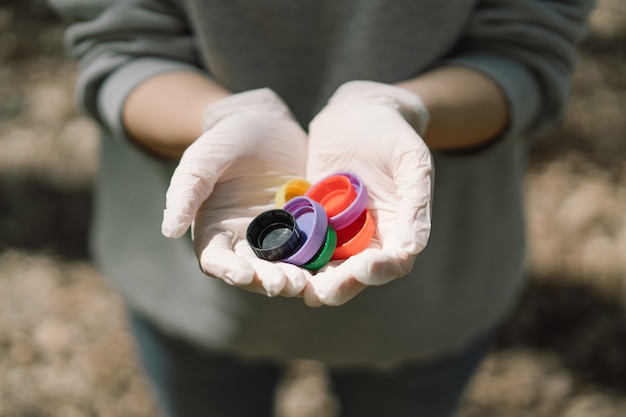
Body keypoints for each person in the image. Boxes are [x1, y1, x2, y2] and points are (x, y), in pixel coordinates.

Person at [49, 0, 595, 416]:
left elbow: (530, 46)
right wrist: (215, 120)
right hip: (187, 289)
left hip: (431, 294)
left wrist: (407, 110)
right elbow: (117, 40)